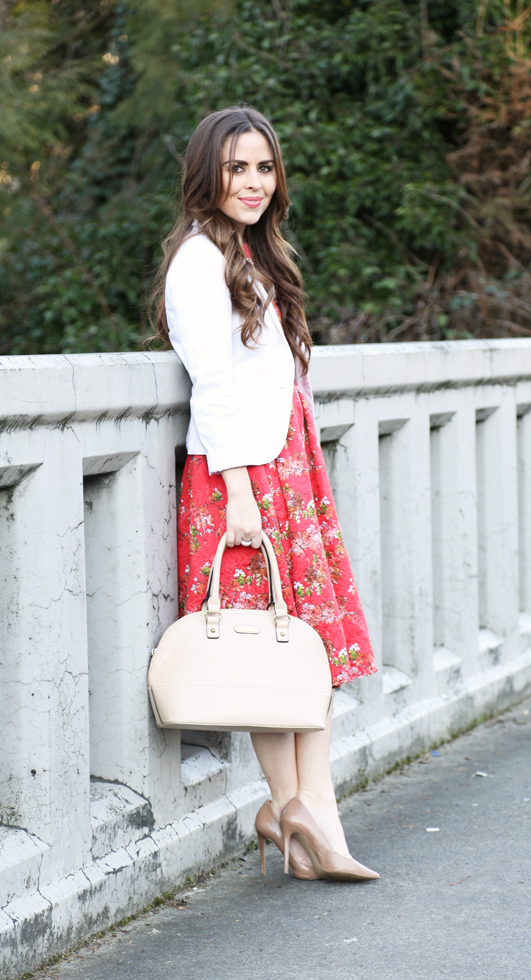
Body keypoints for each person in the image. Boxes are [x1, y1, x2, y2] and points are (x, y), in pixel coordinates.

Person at [151, 106, 378, 882]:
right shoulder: (195, 262)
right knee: (271, 646)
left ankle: (304, 808)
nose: (252, 182)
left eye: (264, 168)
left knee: (299, 645)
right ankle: (299, 809)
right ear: (205, 173)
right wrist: (242, 493)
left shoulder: (248, 253)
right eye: (235, 167)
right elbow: (213, 388)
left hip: (285, 468)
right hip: (243, 479)